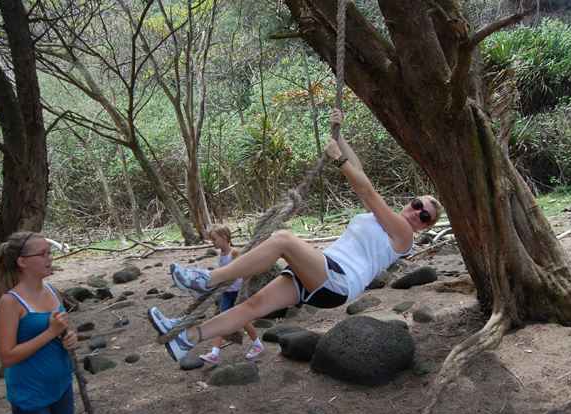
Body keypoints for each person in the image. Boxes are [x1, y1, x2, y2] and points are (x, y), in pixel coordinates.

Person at [149, 109, 442, 361]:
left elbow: (365, 188)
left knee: (284, 240)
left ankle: (207, 280)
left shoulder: (403, 234)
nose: (418, 211)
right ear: (410, 201)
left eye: (425, 215)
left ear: (425, 227)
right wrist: (339, 134)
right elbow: (361, 173)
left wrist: (339, 159)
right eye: (417, 204)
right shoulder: (378, 218)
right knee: (252, 306)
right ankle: (185, 338)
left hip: (338, 280)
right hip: (319, 273)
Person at [0, 231, 79, 414]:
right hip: (30, 393)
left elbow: (60, 332)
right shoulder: (10, 302)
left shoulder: (53, 291)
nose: (49, 258)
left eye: (49, 253)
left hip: (61, 385)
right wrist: (50, 332)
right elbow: (7, 356)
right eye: (42, 254)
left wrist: (70, 338)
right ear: (22, 262)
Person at [199, 225, 264, 363]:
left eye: (214, 239)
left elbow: (248, 267)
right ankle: (214, 354)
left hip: (238, 293)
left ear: (224, 238)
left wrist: (244, 289)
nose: (212, 242)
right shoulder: (219, 254)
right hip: (226, 293)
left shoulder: (234, 253)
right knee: (221, 320)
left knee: (244, 321)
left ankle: (257, 345)